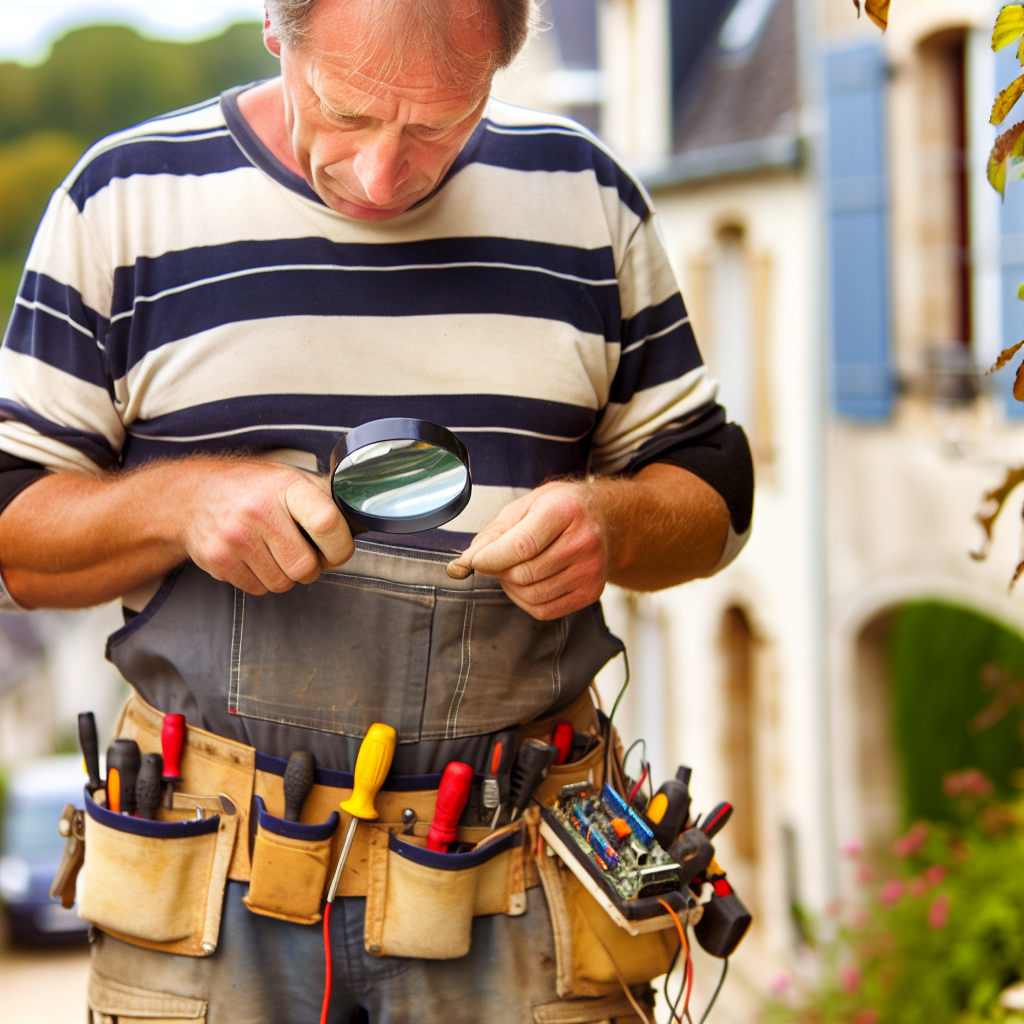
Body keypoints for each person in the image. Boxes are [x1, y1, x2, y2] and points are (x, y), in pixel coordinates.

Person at [0, 0, 753, 1021]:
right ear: (279, 31)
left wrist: (612, 520)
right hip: (212, 881)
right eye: (346, 114)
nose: (383, 177)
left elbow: (714, 496)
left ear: (503, 60)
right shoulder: (125, 200)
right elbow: (16, 537)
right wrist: (184, 502)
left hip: (519, 875)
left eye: (439, 124)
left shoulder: (582, 196)